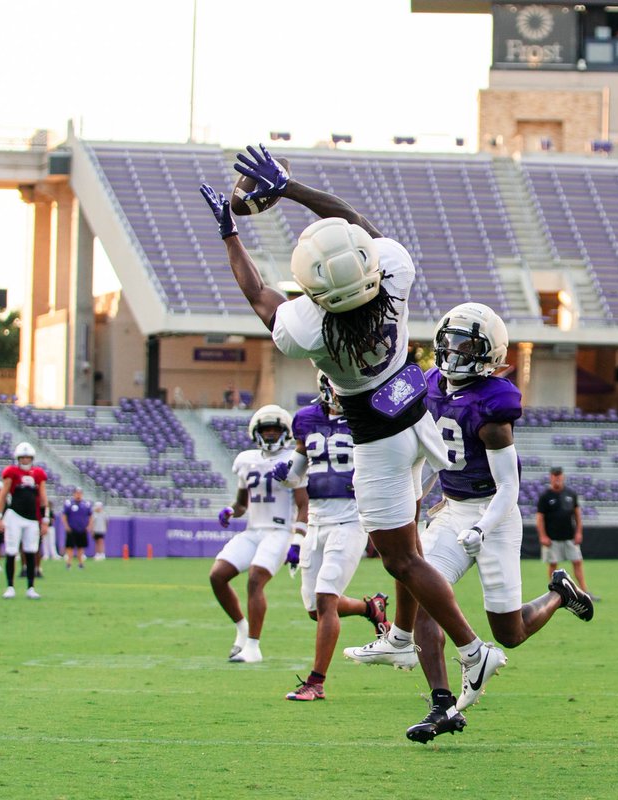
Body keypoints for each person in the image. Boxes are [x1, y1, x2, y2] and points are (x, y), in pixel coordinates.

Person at [201, 144, 505, 711]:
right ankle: (402, 638)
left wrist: (230, 234)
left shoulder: (311, 326)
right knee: (409, 544)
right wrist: (290, 188)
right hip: (416, 416)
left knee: (401, 560)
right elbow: (359, 228)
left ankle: (471, 647)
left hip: (378, 443)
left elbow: (259, 295)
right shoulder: (392, 280)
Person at [345, 304, 594, 741]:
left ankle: (558, 593)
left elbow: (509, 489)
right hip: (453, 506)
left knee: (510, 632)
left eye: (466, 344)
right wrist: (412, 491)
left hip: (493, 515)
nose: (454, 351)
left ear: (488, 354)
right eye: (450, 340)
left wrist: (482, 529)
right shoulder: (426, 383)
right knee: (424, 591)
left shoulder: (494, 404)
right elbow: (412, 439)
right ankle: (442, 705)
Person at [276, 372, 390, 701]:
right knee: (315, 608)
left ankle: (316, 681)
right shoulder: (305, 419)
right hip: (316, 519)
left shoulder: (366, 417)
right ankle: (372, 608)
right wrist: (285, 473)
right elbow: (296, 474)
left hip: (350, 519)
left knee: (326, 598)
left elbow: (385, 461)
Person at [210, 405, 306, 663]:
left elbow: (304, 503)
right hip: (253, 530)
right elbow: (242, 504)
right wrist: (231, 510)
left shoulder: (293, 459)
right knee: (218, 576)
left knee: (255, 580)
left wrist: (298, 539)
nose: (272, 434)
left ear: (286, 432)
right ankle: (241, 629)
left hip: (279, 531)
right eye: (267, 430)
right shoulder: (245, 459)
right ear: (257, 432)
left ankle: (253, 646)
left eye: (276, 429)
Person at [0, 442, 47, 599]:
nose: (25, 460)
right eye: (22, 457)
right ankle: (10, 586)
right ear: (18, 458)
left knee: (31, 551)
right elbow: (3, 495)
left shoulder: (38, 473)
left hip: (32, 518)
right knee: (11, 551)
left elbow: (43, 497)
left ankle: (30, 587)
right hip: (14, 516)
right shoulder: (11, 472)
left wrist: (45, 519)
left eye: (27, 457)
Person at [537, 466, 596, 598]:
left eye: (559, 476)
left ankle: (584, 591)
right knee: (553, 564)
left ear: (562, 477)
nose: (557, 478)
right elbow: (540, 518)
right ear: (551, 477)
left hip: (570, 536)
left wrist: (579, 532)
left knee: (577, 561)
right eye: (554, 476)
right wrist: (542, 536)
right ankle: (553, 593)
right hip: (552, 538)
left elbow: (577, 515)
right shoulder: (545, 496)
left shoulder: (570, 493)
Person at [62, 487, 93, 570]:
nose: (78, 495)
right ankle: (69, 563)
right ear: (74, 494)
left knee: (80, 547)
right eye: (77, 493)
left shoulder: (86, 504)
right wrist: (66, 526)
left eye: (80, 493)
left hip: (82, 529)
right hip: (72, 529)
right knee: (70, 547)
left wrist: (89, 526)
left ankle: (81, 563)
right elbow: (64, 515)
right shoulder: (69, 504)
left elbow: (90, 516)